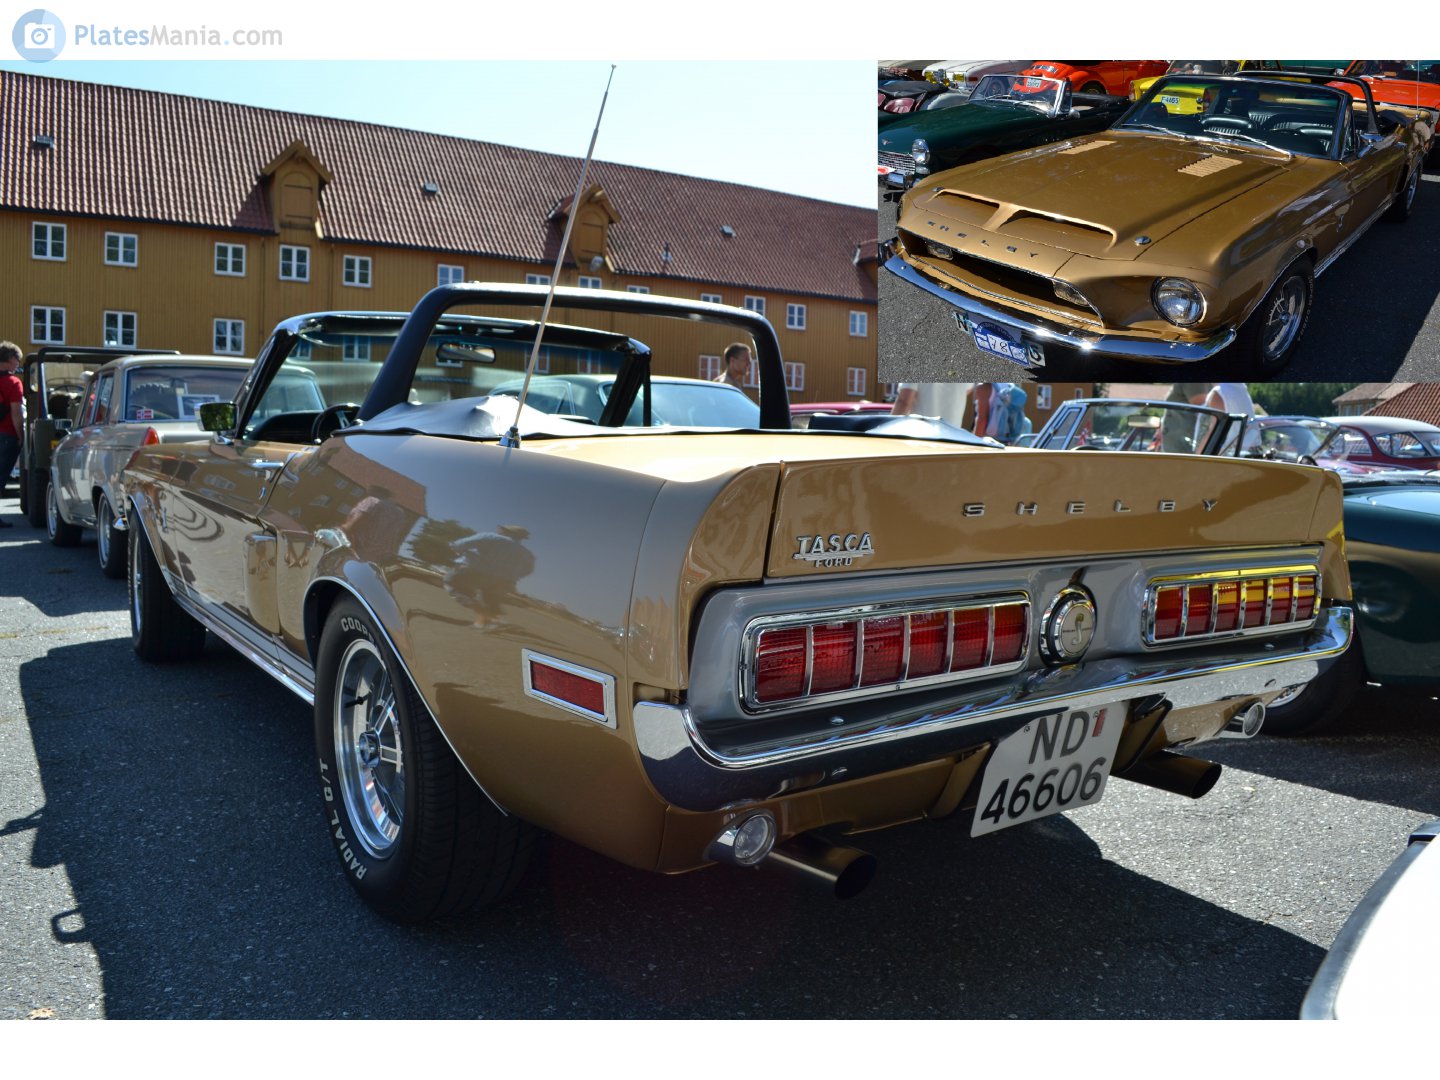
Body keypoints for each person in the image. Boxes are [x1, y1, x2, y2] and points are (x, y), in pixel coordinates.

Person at [0, 341, 24, 527]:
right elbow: (16, 414)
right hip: (6, 435)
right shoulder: (14, 383)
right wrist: (21, 436)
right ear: (10, 359)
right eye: (17, 359)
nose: (18, 364)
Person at [891, 381, 971, 426]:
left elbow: (904, 402)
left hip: (922, 436)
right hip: (953, 438)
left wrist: (889, 432)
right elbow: (966, 391)